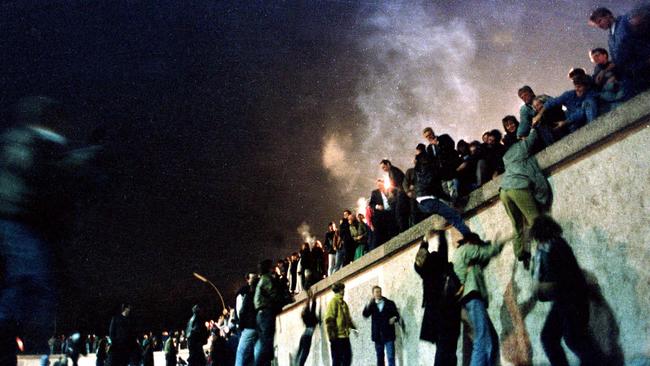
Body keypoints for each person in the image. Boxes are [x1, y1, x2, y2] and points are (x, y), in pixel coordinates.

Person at [0, 96, 98, 366]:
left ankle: (11, 334)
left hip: (23, 222)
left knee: (39, 283)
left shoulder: (22, 142)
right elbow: (42, 174)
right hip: (19, 220)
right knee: (32, 280)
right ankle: (7, 326)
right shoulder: (26, 142)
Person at [530, 215, 603, 366]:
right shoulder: (546, 249)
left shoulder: (557, 246)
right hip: (563, 301)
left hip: (573, 299)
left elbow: (567, 279)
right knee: (549, 337)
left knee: (573, 338)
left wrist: (545, 286)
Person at [499, 119, 551, 269]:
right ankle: (546, 249)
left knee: (517, 225)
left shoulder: (505, 156)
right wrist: (531, 128)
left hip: (503, 191)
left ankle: (521, 253)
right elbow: (534, 134)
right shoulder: (523, 146)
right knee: (535, 219)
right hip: (517, 187)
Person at [452, 233, 507, 366]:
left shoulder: (467, 258)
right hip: (472, 299)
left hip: (470, 300)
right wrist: (502, 242)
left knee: (490, 338)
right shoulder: (466, 249)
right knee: (482, 339)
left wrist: (491, 248)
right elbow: (485, 253)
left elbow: (484, 258)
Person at [413, 143, 478, 241]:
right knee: (454, 216)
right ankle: (471, 239)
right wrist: (451, 199)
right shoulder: (431, 168)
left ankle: (447, 233)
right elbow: (437, 187)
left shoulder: (418, 169)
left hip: (420, 203)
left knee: (447, 214)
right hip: (429, 200)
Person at [414, 230, 460, 366]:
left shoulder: (424, 271)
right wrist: (440, 232)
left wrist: (424, 241)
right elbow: (443, 248)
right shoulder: (441, 264)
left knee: (442, 347)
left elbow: (419, 260)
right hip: (448, 309)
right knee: (449, 348)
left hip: (433, 313)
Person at [589, 6, 650, 99]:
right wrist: (604, 71)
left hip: (644, 68)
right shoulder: (610, 38)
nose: (599, 26)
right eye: (597, 24)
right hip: (630, 77)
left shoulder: (626, 21)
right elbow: (617, 59)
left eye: (600, 21)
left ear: (608, 16)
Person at [254, 259, 287, 366]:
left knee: (265, 343)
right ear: (268, 268)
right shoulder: (266, 279)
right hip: (266, 313)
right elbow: (274, 295)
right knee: (267, 344)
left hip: (261, 314)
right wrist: (286, 300)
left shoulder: (262, 279)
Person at [362, 286, 400, 366]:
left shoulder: (389, 303)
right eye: (376, 292)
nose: (378, 293)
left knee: (391, 357)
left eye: (379, 291)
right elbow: (365, 315)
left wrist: (394, 318)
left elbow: (397, 315)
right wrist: (368, 303)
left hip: (389, 334)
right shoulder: (371, 305)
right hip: (377, 336)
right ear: (373, 294)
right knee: (380, 358)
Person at [325, 282, 355, 366]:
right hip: (337, 338)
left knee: (347, 358)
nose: (343, 291)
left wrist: (353, 327)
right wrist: (332, 337)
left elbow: (348, 319)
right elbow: (329, 320)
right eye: (342, 290)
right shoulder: (333, 302)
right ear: (339, 291)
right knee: (337, 361)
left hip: (345, 336)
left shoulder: (344, 304)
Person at [235, 272, 259, 366]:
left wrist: (241, 324)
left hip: (248, 326)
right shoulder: (259, 290)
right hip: (259, 325)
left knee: (241, 352)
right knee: (256, 351)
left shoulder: (244, 292)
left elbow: (241, 311)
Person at [295, 290, 319, 366]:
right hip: (308, 336)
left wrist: (309, 298)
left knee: (300, 352)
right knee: (305, 353)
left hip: (304, 335)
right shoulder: (311, 316)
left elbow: (309, 307)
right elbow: (313, 308)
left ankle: (296, 363)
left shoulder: (306, 317)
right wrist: (313, 299)